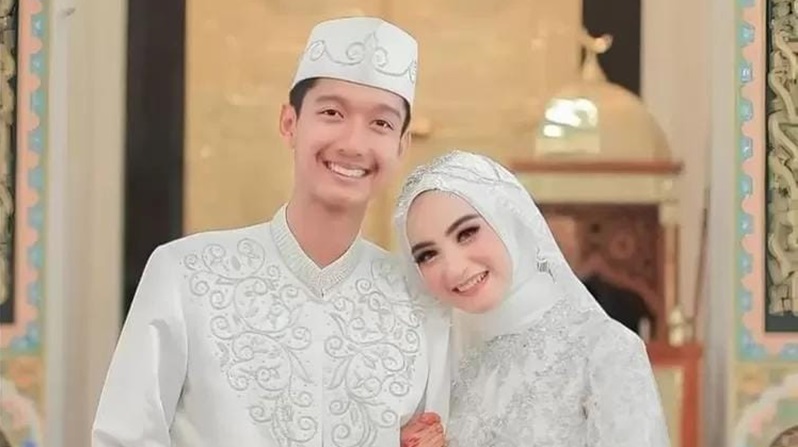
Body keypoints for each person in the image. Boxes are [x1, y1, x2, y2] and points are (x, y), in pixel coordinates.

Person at [93, 17, 430, 447]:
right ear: (290, 123)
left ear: (401, 146)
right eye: (332, 113)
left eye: (380, 123)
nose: (353, 143)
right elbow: (124, 437)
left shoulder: (418, 301)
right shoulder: (185, 273)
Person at [394, 150, 670, 447]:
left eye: (466, 233)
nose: (453, 269)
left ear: (509, 221)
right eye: (427, 255)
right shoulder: (442, 366)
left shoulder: (604, 349)